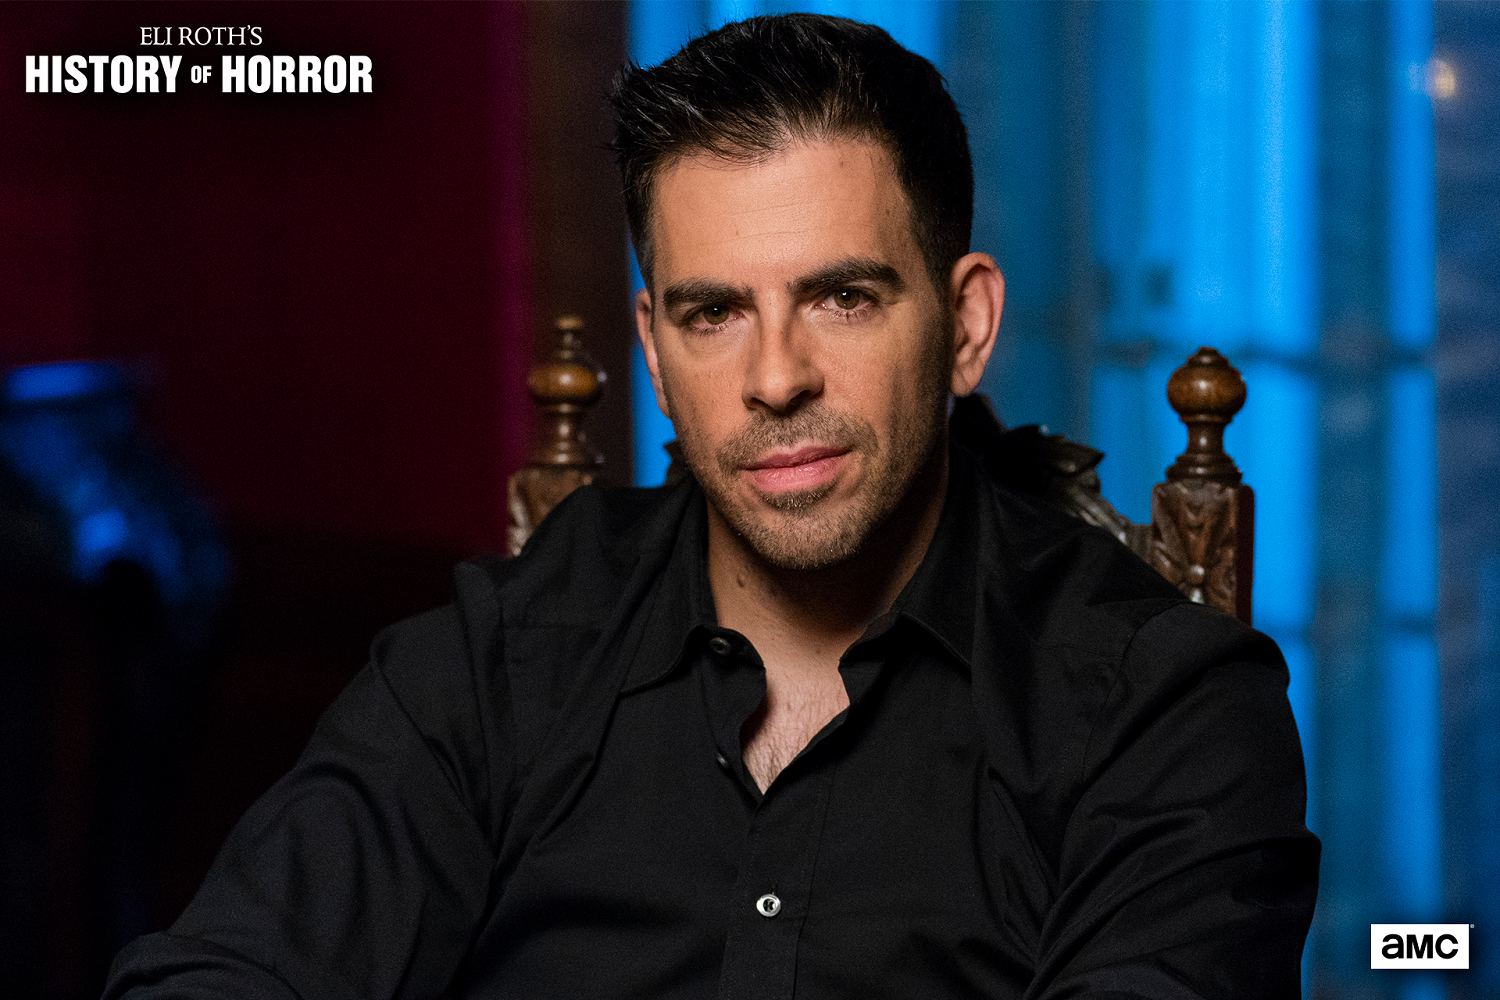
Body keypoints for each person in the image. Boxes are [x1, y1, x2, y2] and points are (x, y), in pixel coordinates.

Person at [104, 14, 1318, 1000]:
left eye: (842, 298)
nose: (775, 377)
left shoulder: (1164, 708)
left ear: (966, 326)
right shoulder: (505, 657)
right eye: (713, 312)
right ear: (652, 348)